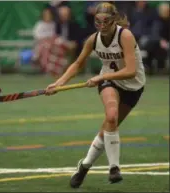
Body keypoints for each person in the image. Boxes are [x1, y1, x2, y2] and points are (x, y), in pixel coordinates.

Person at [46, 2, 146, 188]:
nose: (101, 26)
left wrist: (101, 76)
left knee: (107, 127)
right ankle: (114, 168)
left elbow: (131, 70)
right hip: (110, 83)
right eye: (98, 21)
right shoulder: (93, 39)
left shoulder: (125, 35)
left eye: (106, 21)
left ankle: (84, 166)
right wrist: (59, 83)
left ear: (114, 20)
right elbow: (77, 64)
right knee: (111, 115)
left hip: (133, 86)